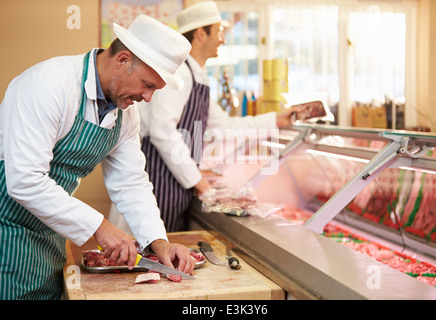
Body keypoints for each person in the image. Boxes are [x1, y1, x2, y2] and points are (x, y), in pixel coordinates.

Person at [0, 15, 195, 300]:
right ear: (123, 59)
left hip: (49, 231)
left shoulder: (125, 112)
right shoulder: (47, 84)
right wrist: (99, 227)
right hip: (6, 229)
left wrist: (158, 242)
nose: (148, 97)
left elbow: (130, 183)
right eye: (147, 84)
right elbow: (24, 181)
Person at [108, 1, 300, 233]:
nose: (223, 38)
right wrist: (197, 180)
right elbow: (162, 131)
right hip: (156, 180)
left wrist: (276, 120)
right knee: (146, 254)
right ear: (200, 33)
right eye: (218, 31)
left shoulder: (198, 76)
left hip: (174, 184)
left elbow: (225, 125)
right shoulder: (179, 73)